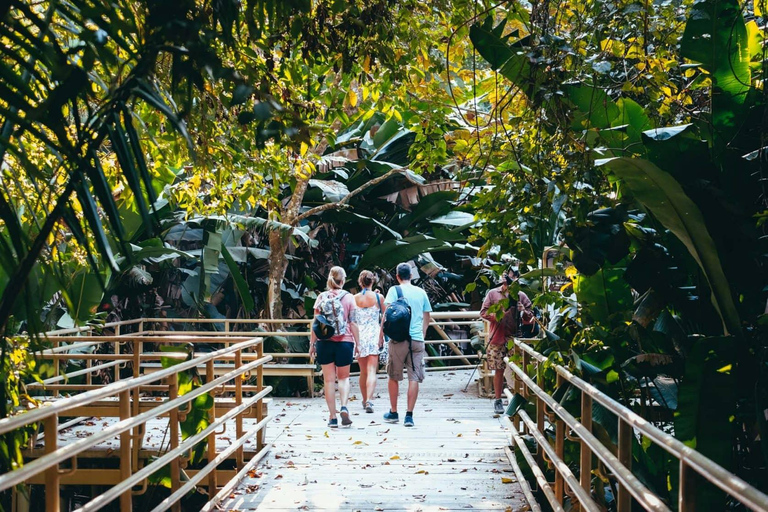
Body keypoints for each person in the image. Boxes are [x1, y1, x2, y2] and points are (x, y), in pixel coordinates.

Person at [380, 262, 432, 427]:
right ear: (411, 275)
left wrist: (381, 336)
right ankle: (409, 416)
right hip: (416, 340)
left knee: (393, 376)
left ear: (397, 276)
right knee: (414, 377)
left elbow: (387, 315)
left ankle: (393, 412)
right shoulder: (421, 292)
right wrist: (421, 334)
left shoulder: (394, 290)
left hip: (398, 340)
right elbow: (427, 317)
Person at [309, 266, 360, 428]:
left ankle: (332, 417)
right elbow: (353, 323)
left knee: (329, 380)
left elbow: (316, 324)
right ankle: (344, 406)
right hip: (345, 342)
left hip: (324, 343)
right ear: (343, 280)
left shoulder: (321, 297)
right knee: (344, 378)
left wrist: (312, 344)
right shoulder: (349, 298)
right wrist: (358, 344)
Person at [480, 270, 533, 415]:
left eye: (512, 276)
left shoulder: (521, 295)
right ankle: (498, 400)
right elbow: (483, 312)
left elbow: (531, 317)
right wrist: (498, 315)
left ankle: (516, 399)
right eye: (506, 276)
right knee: (498, 369)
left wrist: (523, 311)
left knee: (518, 369)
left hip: (515, 338)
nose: (508, 280)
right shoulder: (493, 293)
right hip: (497, 336)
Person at [353, 270, 385, 413]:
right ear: (372, 281)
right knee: (372, 370)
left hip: (360, 335)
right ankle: (369, 401)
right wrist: (382, 336)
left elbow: (351, 319)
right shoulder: (379, 298)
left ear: (360, 282)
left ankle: (364, 399)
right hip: (374, 334)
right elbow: (385, 317)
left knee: (363, 371)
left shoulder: (354, 298)